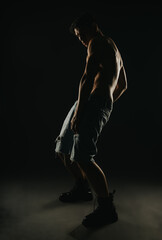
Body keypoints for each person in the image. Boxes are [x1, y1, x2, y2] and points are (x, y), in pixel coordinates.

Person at [55, 13, 127, 228]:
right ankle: (82, 188)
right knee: (63, 146)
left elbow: (87, 77)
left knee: (83, 156)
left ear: (94, 26)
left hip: (91, 103)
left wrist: (97, 105)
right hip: (89, 102)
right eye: (78, 36)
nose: (81, 39)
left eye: (82, 33)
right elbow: (122, 84)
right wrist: (107, 101)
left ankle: (107, 209)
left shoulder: (97, 42)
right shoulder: (114, 49)